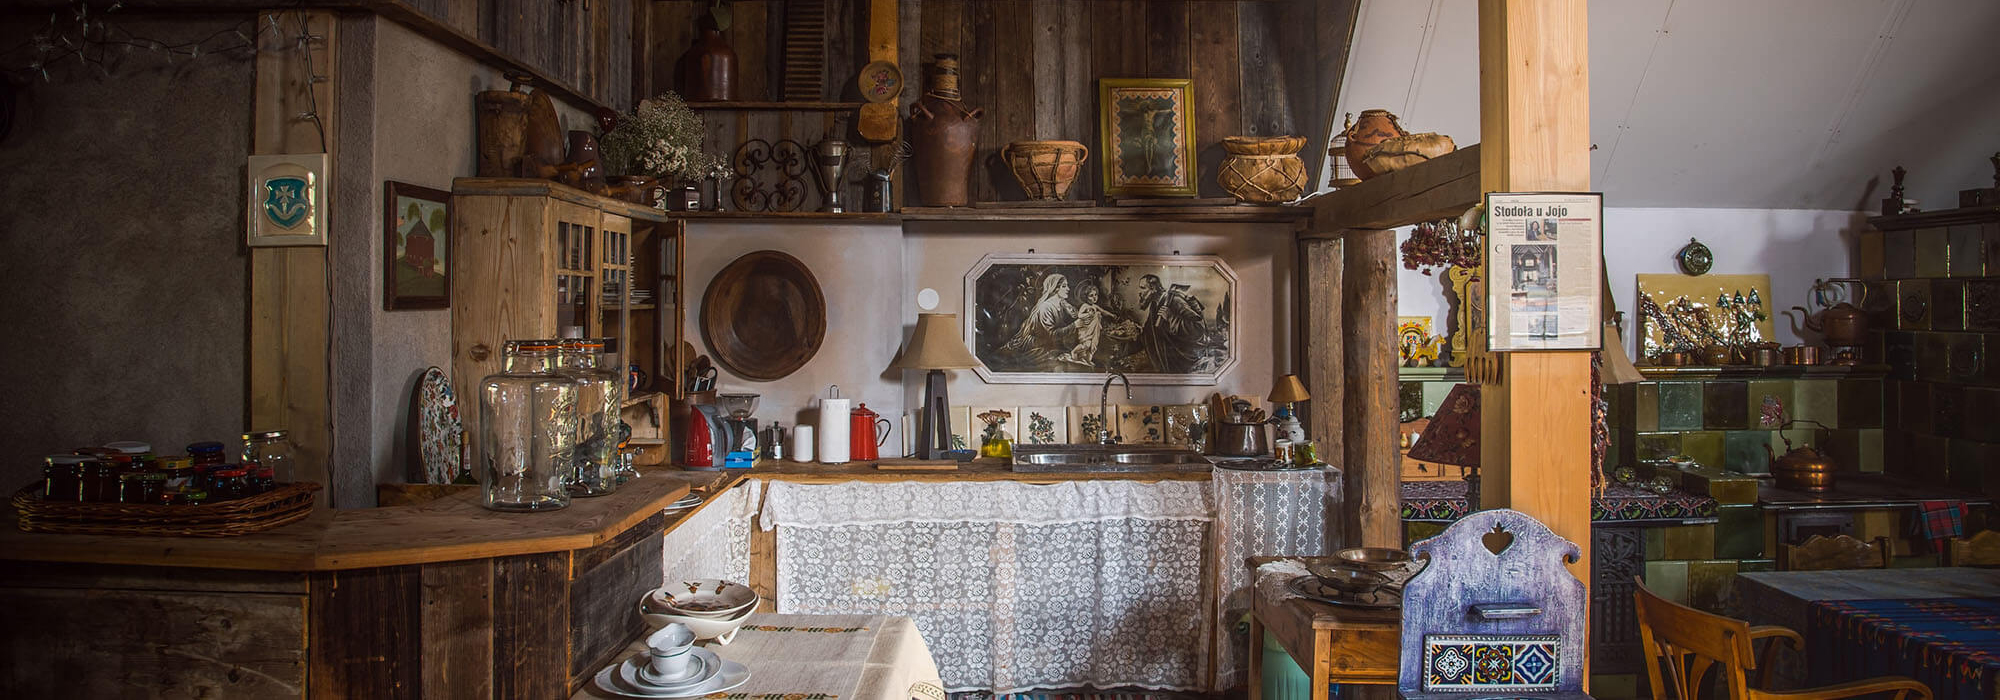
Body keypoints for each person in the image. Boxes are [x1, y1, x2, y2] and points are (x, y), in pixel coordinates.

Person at [1056, 282, 1138, 367]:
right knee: (1086, 344)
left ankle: (1088, 360)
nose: (1094, 297)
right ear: (1086, 297)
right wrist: (1088, 314)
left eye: (1096, 295)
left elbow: (1103, 311)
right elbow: (1079, 315)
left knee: (1093, 346)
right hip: (1086, 330)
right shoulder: (1085, 306)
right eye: (1091, 296)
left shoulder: (1095, 306)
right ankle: (1074, 352)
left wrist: (1112, 315)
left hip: (1094, 331)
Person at [1001, 274, 1076, 359]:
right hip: (1036, 344)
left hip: (1049, 342)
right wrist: (1074, 325)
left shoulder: (1060, 304)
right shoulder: (1046, 307)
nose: (1068, 289)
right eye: (1064, 286)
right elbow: (1051, 335)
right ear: (1055, 288)